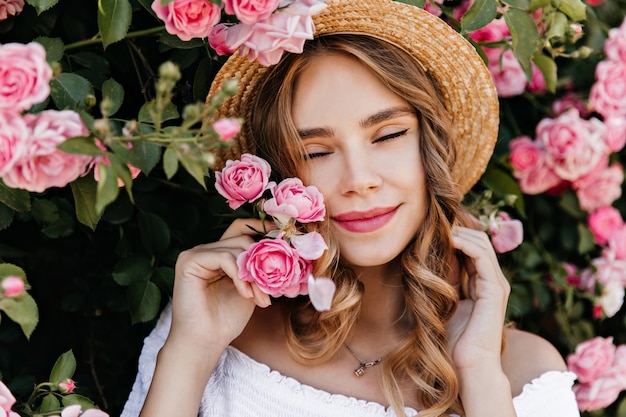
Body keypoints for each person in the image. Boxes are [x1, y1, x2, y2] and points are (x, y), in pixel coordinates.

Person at [121, 0, 581, 416]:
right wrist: (191, 351)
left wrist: (480, 374)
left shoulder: (524, 372)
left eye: (388, 136)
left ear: (430, 150)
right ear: (277, 178)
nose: (359, 179)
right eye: (316, 152)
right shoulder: (209, 328)